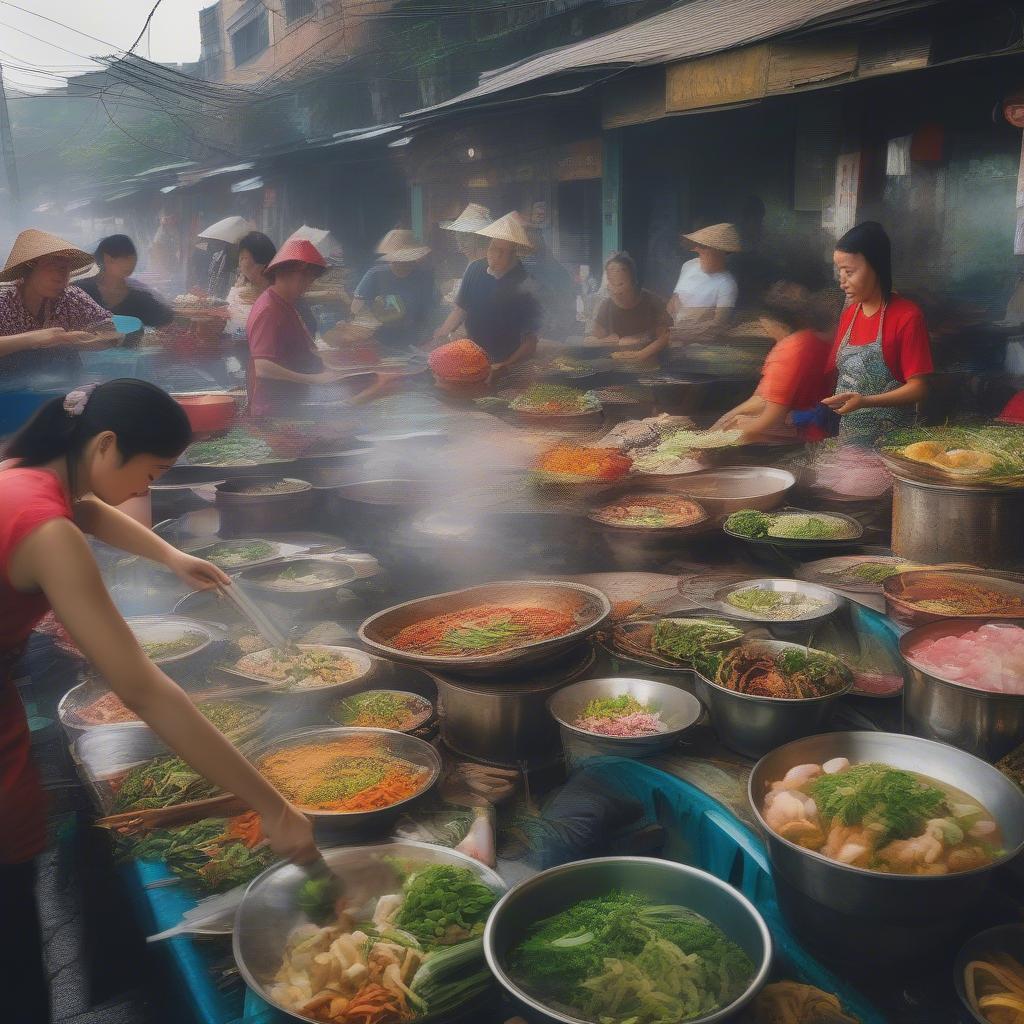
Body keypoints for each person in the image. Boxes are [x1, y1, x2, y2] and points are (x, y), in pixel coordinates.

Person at [0, 380, 318, 1022]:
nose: (144, 491)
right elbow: (142, 687)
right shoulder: (46, 529)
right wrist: (274, 806)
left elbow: (84, 504)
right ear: (106, 444)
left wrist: (171, 555)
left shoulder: (23, 470)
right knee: (9, 905)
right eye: (150, 473)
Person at [821, 221, 932, 445]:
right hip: (850, 441)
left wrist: (865, 401)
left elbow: (919, 388)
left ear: (876, 267)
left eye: (849, 272)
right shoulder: (850, 314)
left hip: (893, 444)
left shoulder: (907, 316)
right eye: (839, 271)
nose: (842, 281)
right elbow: (838, 374)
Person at [713, 282, 831, 441]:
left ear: (770, 322)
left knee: (737, 429)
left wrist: (712, 438)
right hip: (818, 428)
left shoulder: (788, 351)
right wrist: (728, 417)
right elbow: (765, 397)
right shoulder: (819, 339)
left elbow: (769, 420)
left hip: (808, 436)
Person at [0, 229, 117, 385]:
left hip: (64, 387)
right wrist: (34, 338)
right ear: (31, 267)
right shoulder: (4, 302)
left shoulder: (71, 297)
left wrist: (74, 341)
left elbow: (111, 334)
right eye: (54, 266)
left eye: (66, 269)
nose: (62, 277)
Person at [432, 212, 541, 373]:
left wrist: (504, 365)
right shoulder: (475, 268)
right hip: (472, 360)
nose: (494, 255)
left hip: (506, 364)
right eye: (493, 247)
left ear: (514, 255)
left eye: (502, 251)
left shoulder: (527, 285)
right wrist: (442, 332)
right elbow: (460, 310)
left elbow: (530, 342)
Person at [246, 239, 341, 418]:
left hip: (294, 402)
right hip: (276, 411)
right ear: (292, 274)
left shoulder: (286, 303)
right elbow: (263, 367)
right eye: (308, 278)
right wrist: (314, 379)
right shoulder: (268, 309)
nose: (309, 285)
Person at [351, 229, 437, 350]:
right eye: (399, 259)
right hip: (379, 338)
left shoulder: (424, 276)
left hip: (414, 337)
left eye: (408, 258)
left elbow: (430, 308)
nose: (404, 263)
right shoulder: (375, 274)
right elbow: (356, 307)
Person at [584, 252, 670, 364]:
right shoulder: (606, 306)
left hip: (651, 368)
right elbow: (594, 339)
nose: (616, 291)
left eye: (621, 284)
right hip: (617, 368)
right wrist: (605, 342)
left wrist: (641, 355)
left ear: (633, 281)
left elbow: (666, 336)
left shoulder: (651, 302)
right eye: (611, 283)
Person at [77, 234, 174, 329]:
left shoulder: (138, 296)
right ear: (108, 259)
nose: (131, 263)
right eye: (126, 258)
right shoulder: (80, 292)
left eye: (133, 257)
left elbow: (163, 316)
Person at [667, 222, 741, 341]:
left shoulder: (727, 284)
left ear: (722, 252)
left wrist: (682, 333)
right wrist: (670, 326)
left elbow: (719, 325)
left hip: (698, 341)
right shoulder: (689, 266)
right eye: (702, 248)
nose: (702, 252)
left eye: (708, 249)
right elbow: (674, 301)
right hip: (672, 332)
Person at [522, 225, 576, 341]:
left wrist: (550, 328)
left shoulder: (557, 272)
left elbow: (565, 309)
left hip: (551, 335)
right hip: (528, 333)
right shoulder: (523, 268)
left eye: (531, 243)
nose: (527, 251)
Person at [226, 230, 277, 336]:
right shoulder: (237, 292)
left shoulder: (278, 293)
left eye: (244, 258)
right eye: (240, 258)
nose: (240, 263)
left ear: (261, 262)